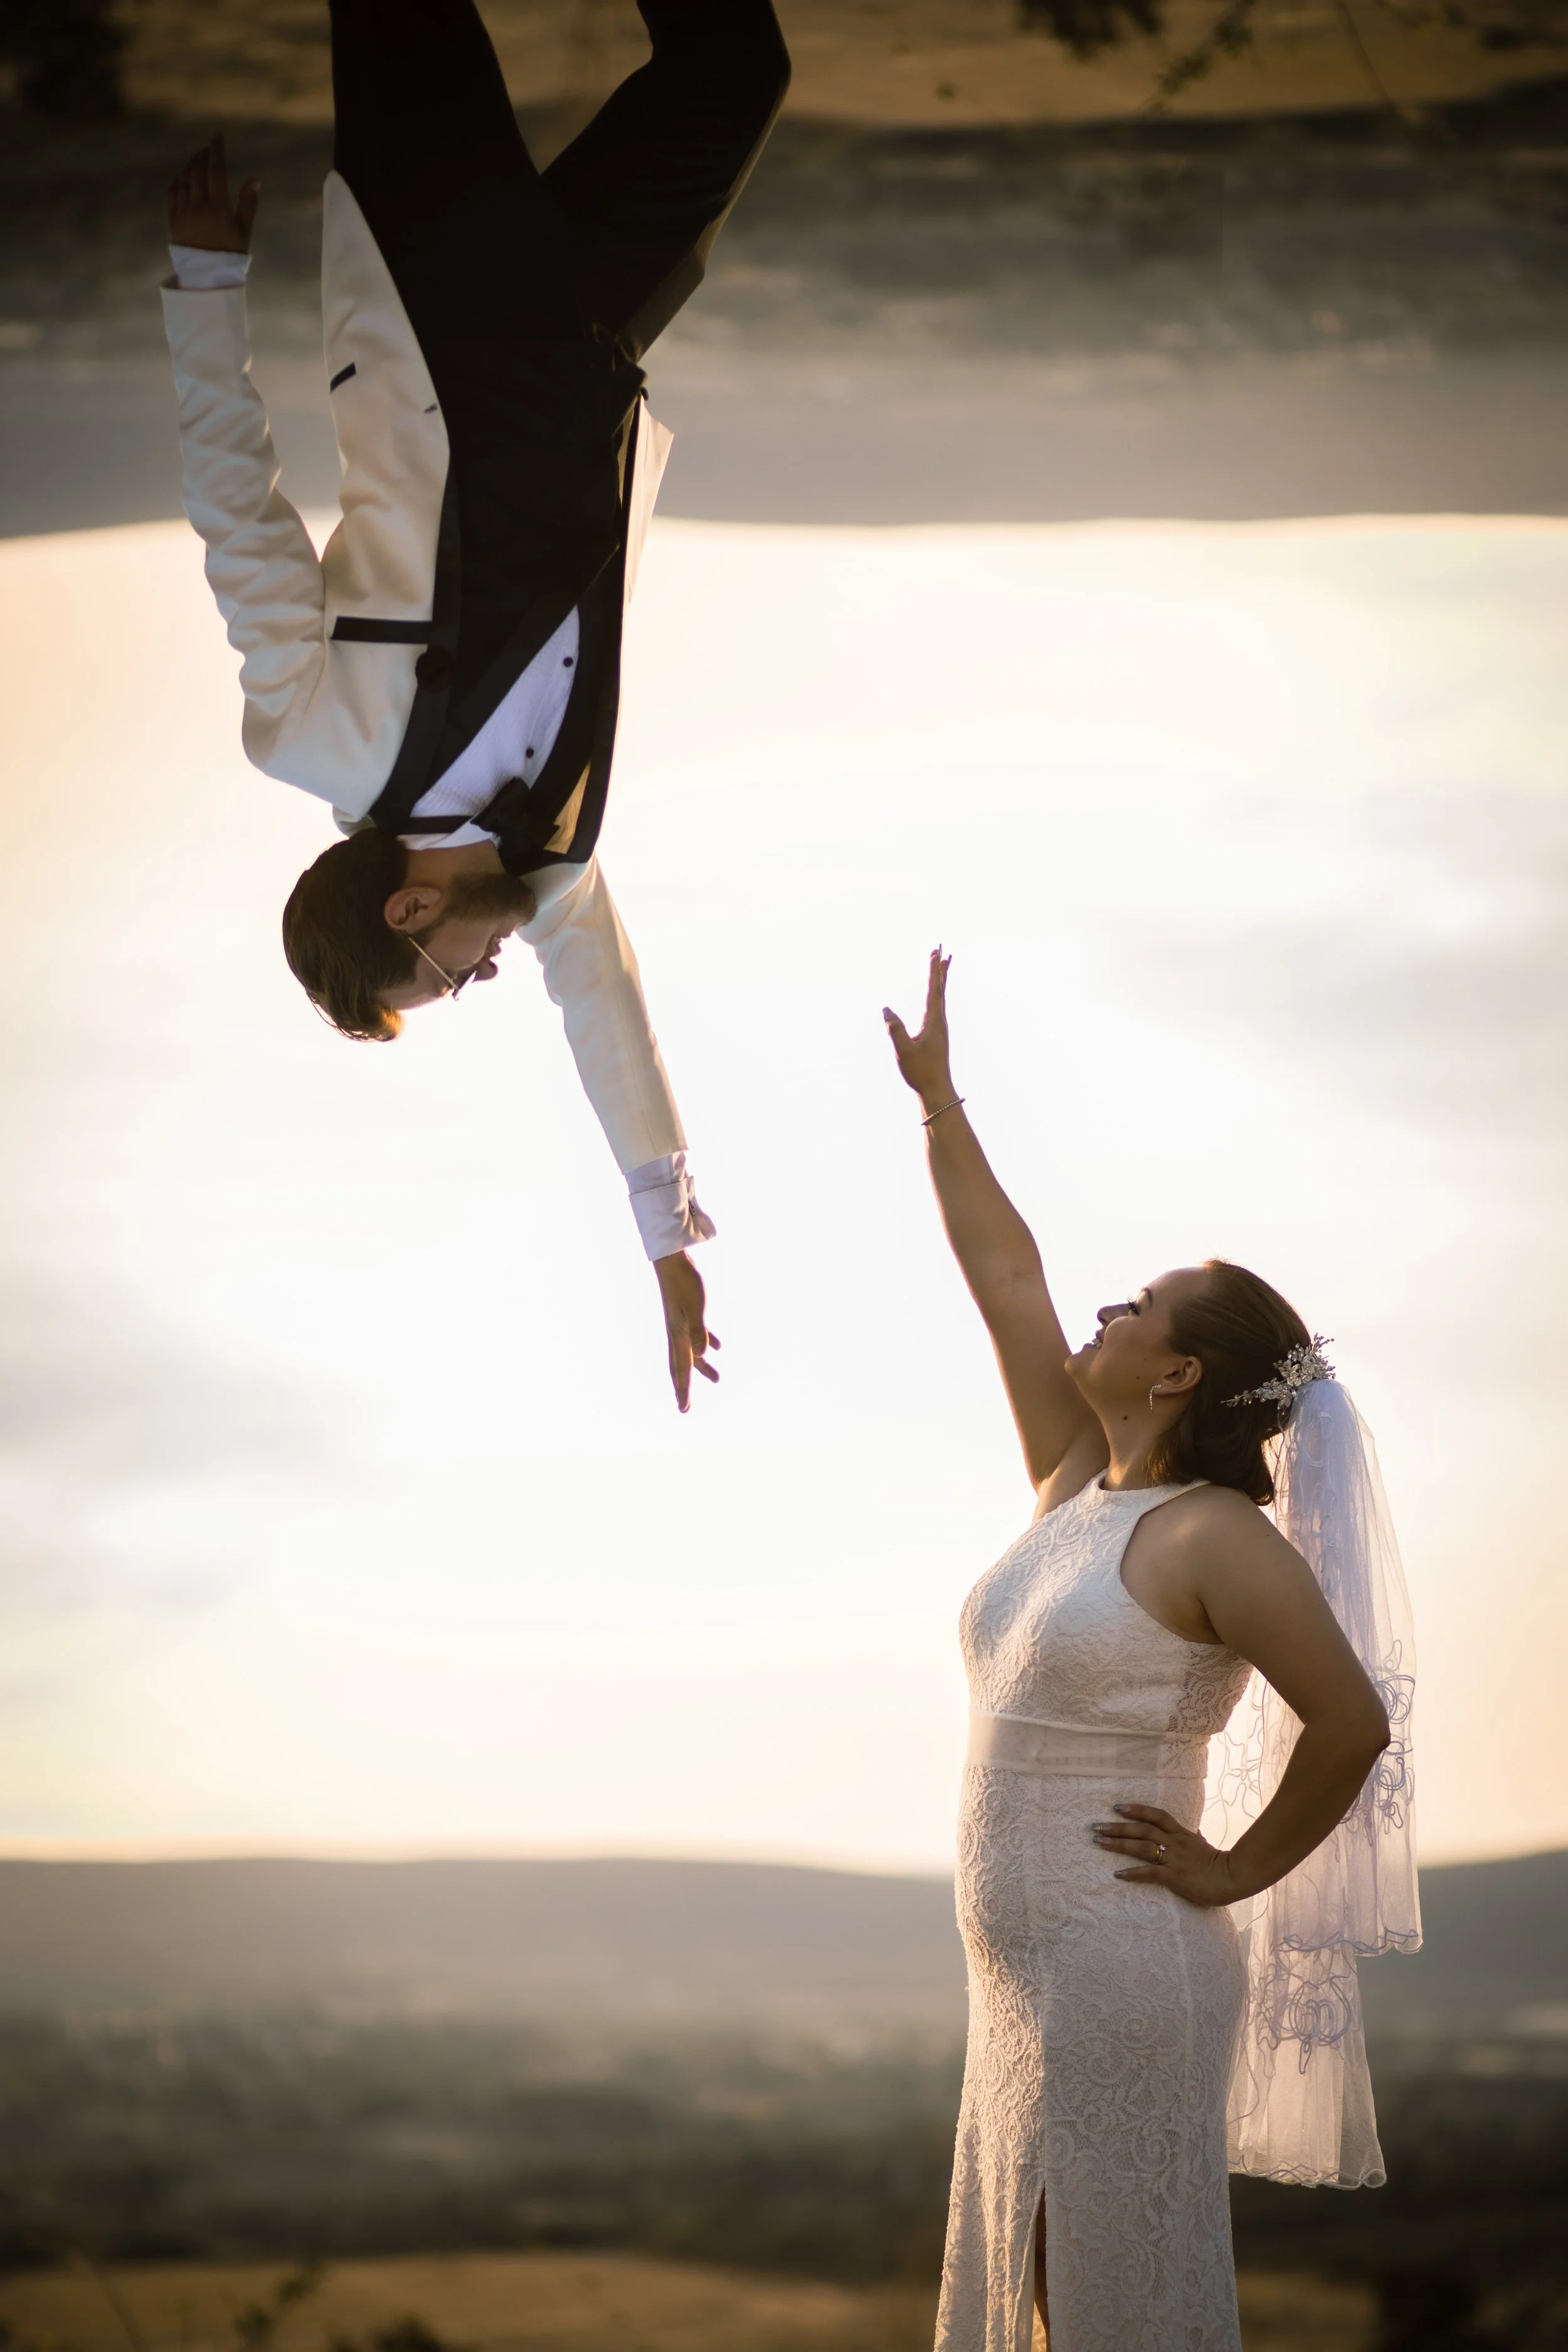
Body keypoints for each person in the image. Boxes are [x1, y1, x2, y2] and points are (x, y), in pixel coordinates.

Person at [160, 0, 791, 1410]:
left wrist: (204, 295)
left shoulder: (315, 742)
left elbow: (237, 523)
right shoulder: (547, 853)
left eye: (446, 979)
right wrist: (664, 1247)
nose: (483, 978)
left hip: (433, 312)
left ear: (403, 913)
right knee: (736, 70)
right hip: (585, 343)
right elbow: (606, 1018)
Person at [883, 950, 1421, 2352]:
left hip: (1120, 1961)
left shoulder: (1215, 1537)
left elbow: (1350, 1724)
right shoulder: (1074, 1478)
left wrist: (1236, 1869)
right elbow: (1004, 1273)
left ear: (1178, 1373)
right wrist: (939, 1106)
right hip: (1017, 1975)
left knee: (1100, 2300)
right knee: (1044, 2290)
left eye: (1135, 1307)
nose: (1101, 1314)